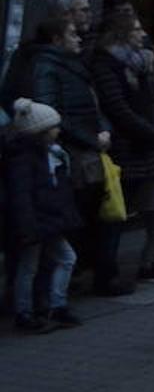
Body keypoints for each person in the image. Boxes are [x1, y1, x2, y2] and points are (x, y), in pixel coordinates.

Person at [28, 18, 118, 291]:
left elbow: (94, 105)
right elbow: (52, 115)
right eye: (72, 34)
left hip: (88, 153)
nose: (79, 38)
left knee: (93, 216)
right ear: (57, 39)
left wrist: (103, 130)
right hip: (72, 156)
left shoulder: (76, 66)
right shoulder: (48, 68)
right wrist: (93, 137)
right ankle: (51, 293)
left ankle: (69, 283)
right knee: (69, 223)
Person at [90, 11, 154, 285]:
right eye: (136, 30)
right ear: (122, 33)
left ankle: (107, 269)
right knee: (113, 211)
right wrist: (149, 132)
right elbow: (116, 106)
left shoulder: (139, 64)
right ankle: (105, 273)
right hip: (123, 146)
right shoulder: (107, 64)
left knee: (123, 209)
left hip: (138, 145)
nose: (142, 34)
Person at [5, 99, 82, 332]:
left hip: (45, 219)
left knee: (46, 262)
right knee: (36, 264)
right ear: (41, 131)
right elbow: (22, 195)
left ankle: (47, 307)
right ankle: (30, 311)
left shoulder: (44, 154)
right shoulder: (26, 158)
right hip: (38, 220)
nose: (58, 130)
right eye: (53, 127)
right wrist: (28, 226)